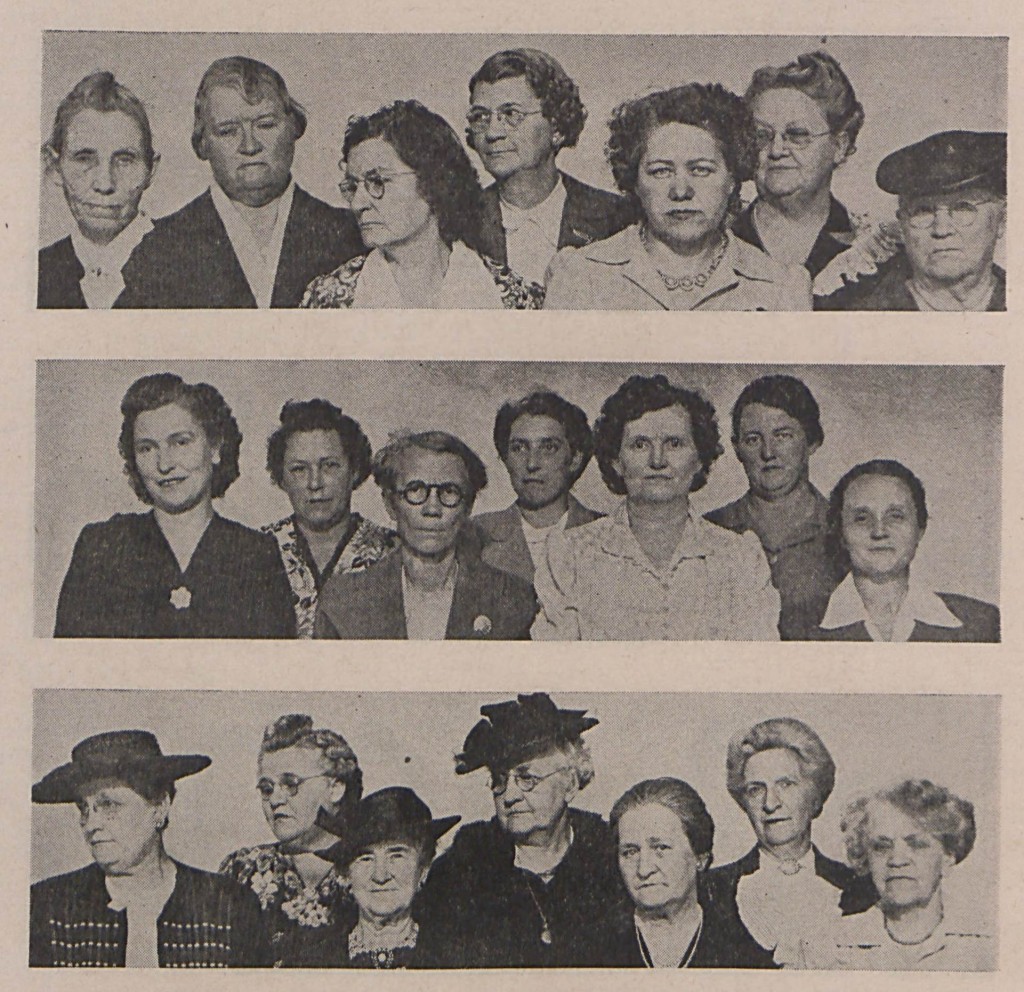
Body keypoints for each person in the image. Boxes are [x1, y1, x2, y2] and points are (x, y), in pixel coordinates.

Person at [532, 374, 780, 640]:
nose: (657, 461)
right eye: (640, 444)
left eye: (674, 443)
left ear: (699, 459)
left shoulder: (740, 559)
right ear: (616, 459)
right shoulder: (569, 556)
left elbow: (757, 669)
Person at [54, 373, 295, 638]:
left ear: (215, 447)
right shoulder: (101, 546)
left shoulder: (256, 555)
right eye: (147, 448)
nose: (164, 464)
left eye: (180, 442)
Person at [118, 57, 362, 308]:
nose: (250, 145)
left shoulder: (353, 234)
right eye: (228, 131)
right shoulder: (161, 248)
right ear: (202, 144)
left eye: (265, 125)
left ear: (294, 128)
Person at [544, 84, 811, 310]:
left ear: (732, 178)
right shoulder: (579, 275)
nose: (681, 191)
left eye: (701, 170)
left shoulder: (782, 288)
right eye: (661, 171)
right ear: (635, 182)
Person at [30, 730, 271, 967]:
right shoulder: (46, 907)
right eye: (84, 808)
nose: (91, 824)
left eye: (109, 804)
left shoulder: (230, 906)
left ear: (159, 807)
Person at [418, 693, 624, 967]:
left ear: (571, 785)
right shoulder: (459, 874)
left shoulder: (615, 864)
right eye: (500, 780)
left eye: (527, 778)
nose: (509, 795)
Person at [302, 100, 542, 309]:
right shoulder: (327, 300)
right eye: (353, 186)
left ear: (434, 181)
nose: (358, 203)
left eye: (377, 181)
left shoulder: (513, 298)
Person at [315, 431, 536, 639]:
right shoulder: (343, 601)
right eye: (415, 490)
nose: (432, 509)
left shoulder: (510, 598)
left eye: (449, 491)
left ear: (468, 507)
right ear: (390, 504)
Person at [703, 718, 875, 967]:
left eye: (786, 784)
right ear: (744, 804)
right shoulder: (710, 890)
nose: (770, 803)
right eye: (755, 789)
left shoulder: (861, 888)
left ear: (815, 796)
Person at [733, 52, 899, 297]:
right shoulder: (717, 245)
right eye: (762, 136)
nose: (777, 150)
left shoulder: (871, 250)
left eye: (798, 134)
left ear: (840, 146)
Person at [467, 48, 634, 288]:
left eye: (511, 114)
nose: (492, 132)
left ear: (556, 127)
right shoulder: (456, 221)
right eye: (481, 117)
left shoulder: (617, 218)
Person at [798, 779, 992, 970]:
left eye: (916, 845)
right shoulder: (827, 949)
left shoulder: (987, 947)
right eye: (881, 847)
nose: (897, 860)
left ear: (948, 856)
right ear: (865, 858)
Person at [218, 715, 363, 967]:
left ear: (335, 788)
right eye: (267, 788)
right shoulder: (241, 870)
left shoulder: (370, 867)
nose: (275, 800)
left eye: (290, 784)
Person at [706, 375, 842, 639]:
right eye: (753, 439)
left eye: (783, 435)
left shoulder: (845, 531)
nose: (768, 452)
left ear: (812, 441)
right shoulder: (707, 530)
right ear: (737, 449)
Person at [809, 460, 1000, 641]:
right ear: (840, 532)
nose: (879, 531)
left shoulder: (981, 622)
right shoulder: (801, 624)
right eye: (861, 518)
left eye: (896, 516)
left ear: (920, 529)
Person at [597, 778, 774, 968]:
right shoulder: (594, 948)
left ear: (700, 857)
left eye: (661, 848)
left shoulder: (744, 947)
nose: (644, 869)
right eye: (630, 852)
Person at [818, 131, 1006, 310]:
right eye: (922, 211)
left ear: (1002, 220)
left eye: (963, 209)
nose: (941, 229)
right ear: (902, 224)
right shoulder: (851, 309)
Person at [264, 400, 396, 637]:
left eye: (329, 466)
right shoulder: (256, 549)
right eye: (299, 469)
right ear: (281, 478)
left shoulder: (392, 551)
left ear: (354, 470)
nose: (315, 483)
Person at [39, 71, 159, 308]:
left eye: (125, 160)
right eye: (84, 159)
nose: (105, 184)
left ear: (150, 170)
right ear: (54, 167)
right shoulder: (36, 271)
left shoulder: (194, 261)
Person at [305, 787, 460, 968]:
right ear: (346, 872)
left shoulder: (456, 957)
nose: (381, 876)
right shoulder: (311, 960)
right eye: (366, 858)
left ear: (423, 869)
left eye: (396, 855)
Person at [471, 390, 603, 584]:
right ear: (505, 459)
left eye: (549, 447)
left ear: (574, 459)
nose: (532, 463)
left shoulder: (607, 532)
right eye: (519, 448)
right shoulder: (474, 534)